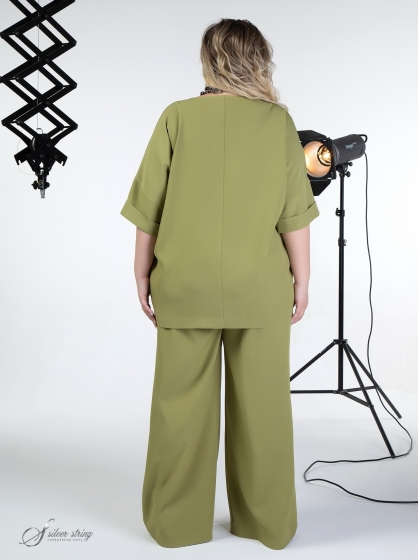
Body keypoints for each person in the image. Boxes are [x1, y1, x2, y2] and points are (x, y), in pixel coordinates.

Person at [120, 18, 320, 551]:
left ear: (209, 59)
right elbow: (294, 215)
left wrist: (141, 273)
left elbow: (148, 209)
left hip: (184, 284)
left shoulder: (177, 117)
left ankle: (176, 525)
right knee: (264, 409)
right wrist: (302, 281)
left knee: (179, 409)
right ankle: (266, 524)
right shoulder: (279, 123)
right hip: (260, 287)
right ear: (259, 59)